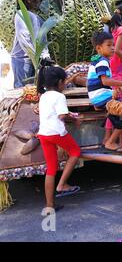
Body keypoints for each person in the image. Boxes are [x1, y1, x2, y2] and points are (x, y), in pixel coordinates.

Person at [36, 62, 81, 214]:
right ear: (60, 83)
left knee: (51, 168)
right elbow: (62, 115)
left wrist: (69, 115)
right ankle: (62, 185)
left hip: (44, 133)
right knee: (75, 152)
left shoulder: (44, 96)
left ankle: (49, 205)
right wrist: (74, 119)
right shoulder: (59, 96)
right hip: (56, 132)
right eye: (65, 82)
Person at [88, 31, 122, 152]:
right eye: (109, 45)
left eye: (113, 45)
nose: (113, 48)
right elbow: (105, 81)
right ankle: (111, 141)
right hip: (101, 96)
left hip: (99, 96)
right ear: (99, 48)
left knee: (121, 111)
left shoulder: (98, 60)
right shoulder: (102, 61)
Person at [9, 0, 50, 88]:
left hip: (35, 58)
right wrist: (35, 57)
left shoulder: (38, 18)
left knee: (34, 88)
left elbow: (42, 39)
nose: (39, 3)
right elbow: (24, 38)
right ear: (28, 0)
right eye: (37, 0)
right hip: (22, 59)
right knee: (23, 89)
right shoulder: (21, 14)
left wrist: (45, 56)